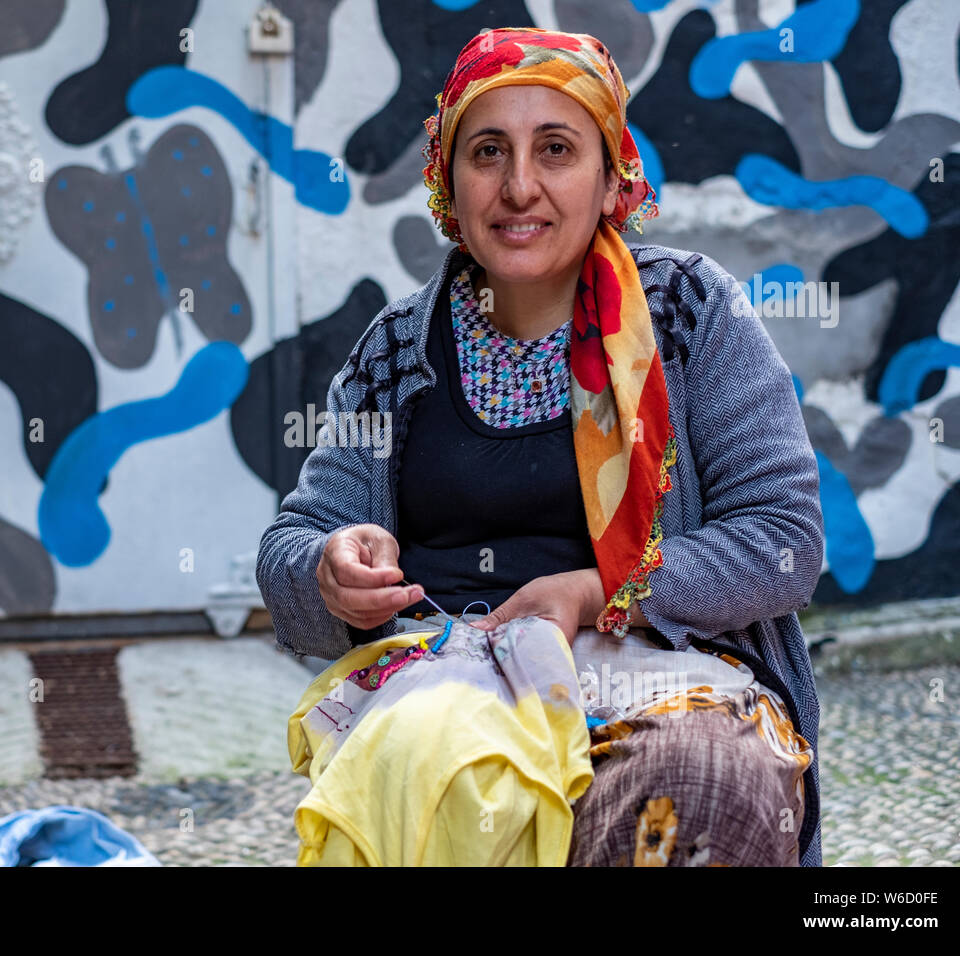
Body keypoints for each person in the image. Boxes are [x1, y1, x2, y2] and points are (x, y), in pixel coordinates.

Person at [257, 27, 825, 866]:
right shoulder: (395, 350)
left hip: (670, 684)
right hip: (448, 688)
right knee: (431, 785)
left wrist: (595, 592)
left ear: (610, 176)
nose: (520, 186)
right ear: (449, 182)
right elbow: (289, 554)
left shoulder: (689, 314)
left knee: (698, 782)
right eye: (488, 151)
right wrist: (331, 568)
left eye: (555, 149)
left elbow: (784, 541)